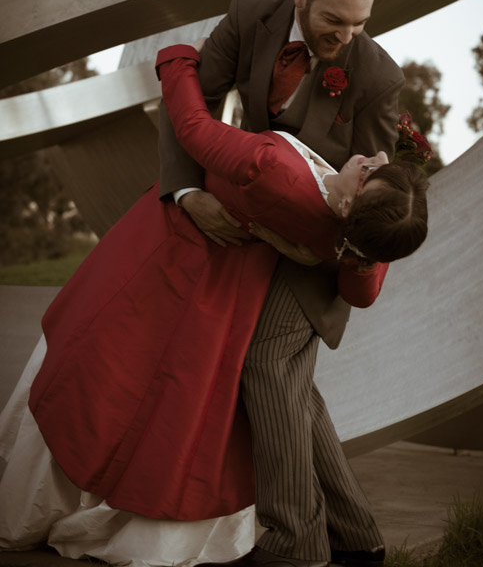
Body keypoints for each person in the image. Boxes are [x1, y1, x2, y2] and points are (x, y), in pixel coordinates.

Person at [0, 42, 428, 567]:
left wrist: (176, 61)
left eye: (373, 169)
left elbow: (195, 131)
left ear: (353, 195)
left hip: (174, 258)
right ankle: (356, 539)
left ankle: (302, 547)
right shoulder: (353, 237)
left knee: (118, 371)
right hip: (237, 286)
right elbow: (364, 286)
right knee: (287, 399)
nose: (377, 153)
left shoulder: (276, 170)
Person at [156, 0, 411, 567]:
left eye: (360, 23)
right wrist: (187, 192)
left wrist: (349, 275)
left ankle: (293, 547)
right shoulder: (250, 12)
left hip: (324, 253)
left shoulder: (376, 75)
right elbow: (189, 107)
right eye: (335, 21)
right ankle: (357, 541)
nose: (347, 37)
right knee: (292, 389)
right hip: (249, 220)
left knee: (269, 366)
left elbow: (376, 198)